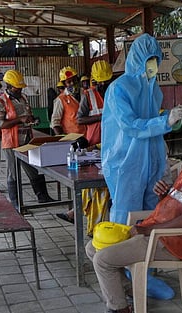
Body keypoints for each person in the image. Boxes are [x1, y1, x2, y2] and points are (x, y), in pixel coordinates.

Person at [86, 133, 182, 313]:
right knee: (92, 247)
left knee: (102, 260)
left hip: (172, 241)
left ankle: (120, 308)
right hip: (157, 230)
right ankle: (127, 289)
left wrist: (148, 230)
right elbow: (180, 202)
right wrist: (164, 196)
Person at [101, 33, 182, 224]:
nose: (153, 66)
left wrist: (170, 117)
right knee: (126, 216)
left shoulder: (153, 89)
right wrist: (165, 122)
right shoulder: (119, 89)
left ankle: (145, 251)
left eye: (156, 60)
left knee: (151, 214)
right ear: (137, 59)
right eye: (149, 60)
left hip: (151, 160)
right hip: (126, 162)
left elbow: (152, 120)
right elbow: (130, 125)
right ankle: (121, 253)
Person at [56, 60, 114, 233]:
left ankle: (86, 217)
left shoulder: (116, 92)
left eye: (106, 81)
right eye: (100, 81)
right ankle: (91, 221)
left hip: (112, 144)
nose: (103, 84)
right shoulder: (88, 96)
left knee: (102, 187)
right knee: (94, 185)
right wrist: (102, 118)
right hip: (93, 146)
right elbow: (80, 119)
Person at [0, 69, 55, 206]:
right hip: (11, 143)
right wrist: (20, 119)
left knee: (33, 169)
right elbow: (0, 124)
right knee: (13, 173)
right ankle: (16, 204)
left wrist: (32, 120)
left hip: (27, 140)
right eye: (17, 87)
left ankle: (43, 196)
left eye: (21, 87)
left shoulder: (23, 98)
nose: (20, 90)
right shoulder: (0, 102)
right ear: (8, 86)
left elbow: (28, 116)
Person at [50, 66, 86, 136]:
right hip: (73, 139)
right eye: (69, 82)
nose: (72, 83)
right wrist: (63, 140)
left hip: (89, 136)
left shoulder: (85, 93)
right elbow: (55, 123)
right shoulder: (61, 99)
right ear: (64, 84)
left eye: (74, 80)